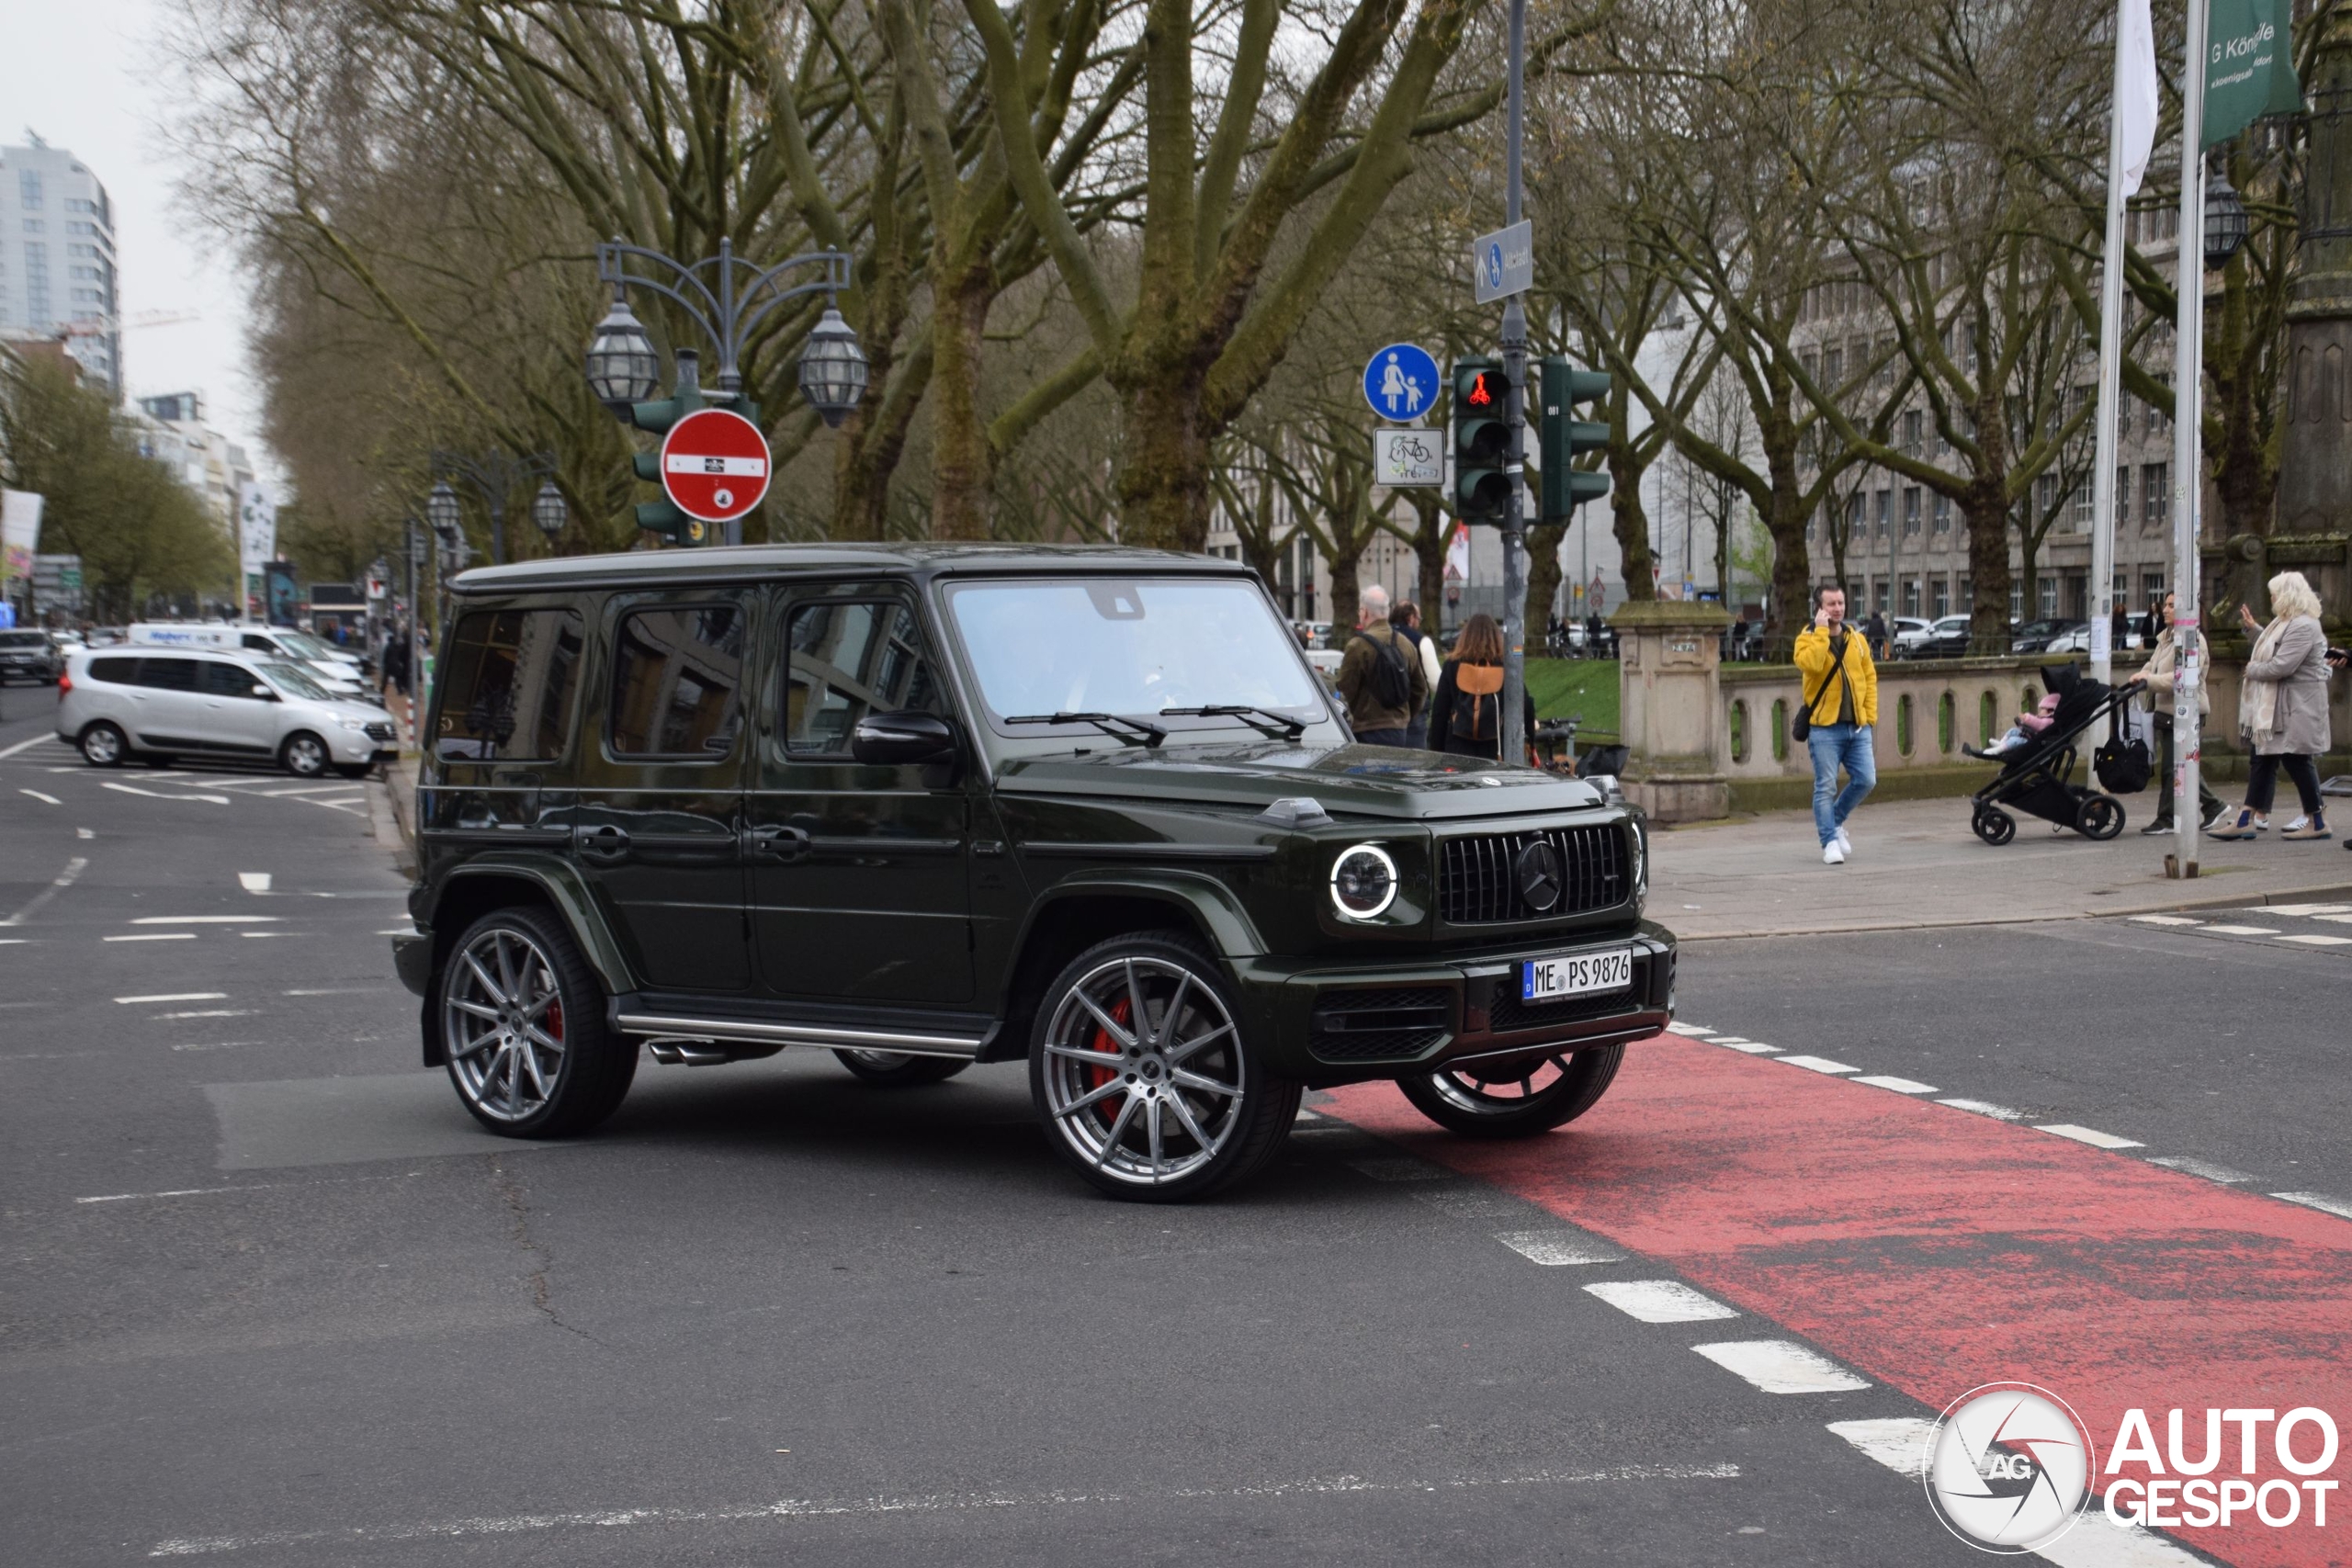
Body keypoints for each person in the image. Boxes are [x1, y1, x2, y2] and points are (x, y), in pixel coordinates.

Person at [2211, 572, 2334, 840]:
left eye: (2275, 593)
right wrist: (2254, 629)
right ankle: (2247, 818)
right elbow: (2273, 649)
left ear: (2287, 595)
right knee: (2262, 758)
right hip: (2279, 706)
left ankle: (2318, 820)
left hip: (2296, 706)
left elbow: (2282, 665)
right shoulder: (2285, 622)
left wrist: (2252, 669)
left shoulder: (2304, 625)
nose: (2272, 598)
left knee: (2296, 759)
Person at [1793, 585, 1878, 865]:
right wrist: (1820, 632)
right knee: (1825, 786)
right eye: (1831, 604)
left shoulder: (1857, 640)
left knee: (1867, 780)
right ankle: (1829, 841)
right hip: (1824, 729)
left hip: (1857, 727)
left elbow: (1869, 678)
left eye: (1841, 603)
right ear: (1819, 607)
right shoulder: (1806, 640)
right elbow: (1813, 666)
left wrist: (1869, 716)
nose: (1838, 608)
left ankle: (1836, 821)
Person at [2136, 591, 2226, 834]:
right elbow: (2153, 664)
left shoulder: (2191, 639)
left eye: (2171, 605)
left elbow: (2183, 677)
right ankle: (2208, 807)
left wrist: (2149, 679)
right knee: (2177, 766)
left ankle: (2180, 814)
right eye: (2165, 605)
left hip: (2185, 712)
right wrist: (2144, 674)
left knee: (2176, 767)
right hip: (2167, 712)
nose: (2165, 609)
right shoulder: (2166, 637)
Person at [1430, 613, 1536, 761]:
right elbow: (1524, 703)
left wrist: (1437, 751)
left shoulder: (1452, 665)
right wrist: (1532, 740)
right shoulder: (1505, 666)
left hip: (1458, 749)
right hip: (1495, 748)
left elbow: (1439, 712)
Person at [1335, 583, 1427, 748]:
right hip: (1399, 731)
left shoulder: (1358, 646)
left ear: (1364, 612)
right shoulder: (1405, 644)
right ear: (1387, 611)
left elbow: (1345, 690)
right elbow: (1420, 689)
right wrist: (1404, 717)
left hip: (1365, 730)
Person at [1392, 599, 1442, 750]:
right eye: (1418, 618)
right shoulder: (1421, 641)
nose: (1419, 623)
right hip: (1415, 710)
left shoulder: (1377, 638)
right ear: (1411, 618)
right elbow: (1435, 681)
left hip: (1383, 713)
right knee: (1415, 762)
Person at [1983, 691, 2062, 757]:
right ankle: (2001, 743)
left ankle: (1997, 750)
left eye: (2042, 709)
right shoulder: (2044, 718)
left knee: (2015, 740)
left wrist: (2027, 718)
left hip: (2033, 742)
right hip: (2030, 736)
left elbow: (2039, 725)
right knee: (2013, 731)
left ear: (2050, 711)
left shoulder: (2050, 720)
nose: (2040, 711)